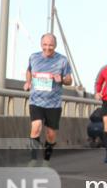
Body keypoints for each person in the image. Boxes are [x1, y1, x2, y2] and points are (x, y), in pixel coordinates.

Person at [24, 33, 73, 166]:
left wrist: (62, 79)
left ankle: (46, 160)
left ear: (55, 45)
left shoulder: (62, 60)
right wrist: (28, 82)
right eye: (45, 44)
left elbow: (69, 80)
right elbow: (29, 71)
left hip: (53, 103)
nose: (48, 47)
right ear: (41, 44)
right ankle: (33, 160)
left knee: (51, 135)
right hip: (36, 100)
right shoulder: (34, 57)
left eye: (50, 45)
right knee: (36, 127)